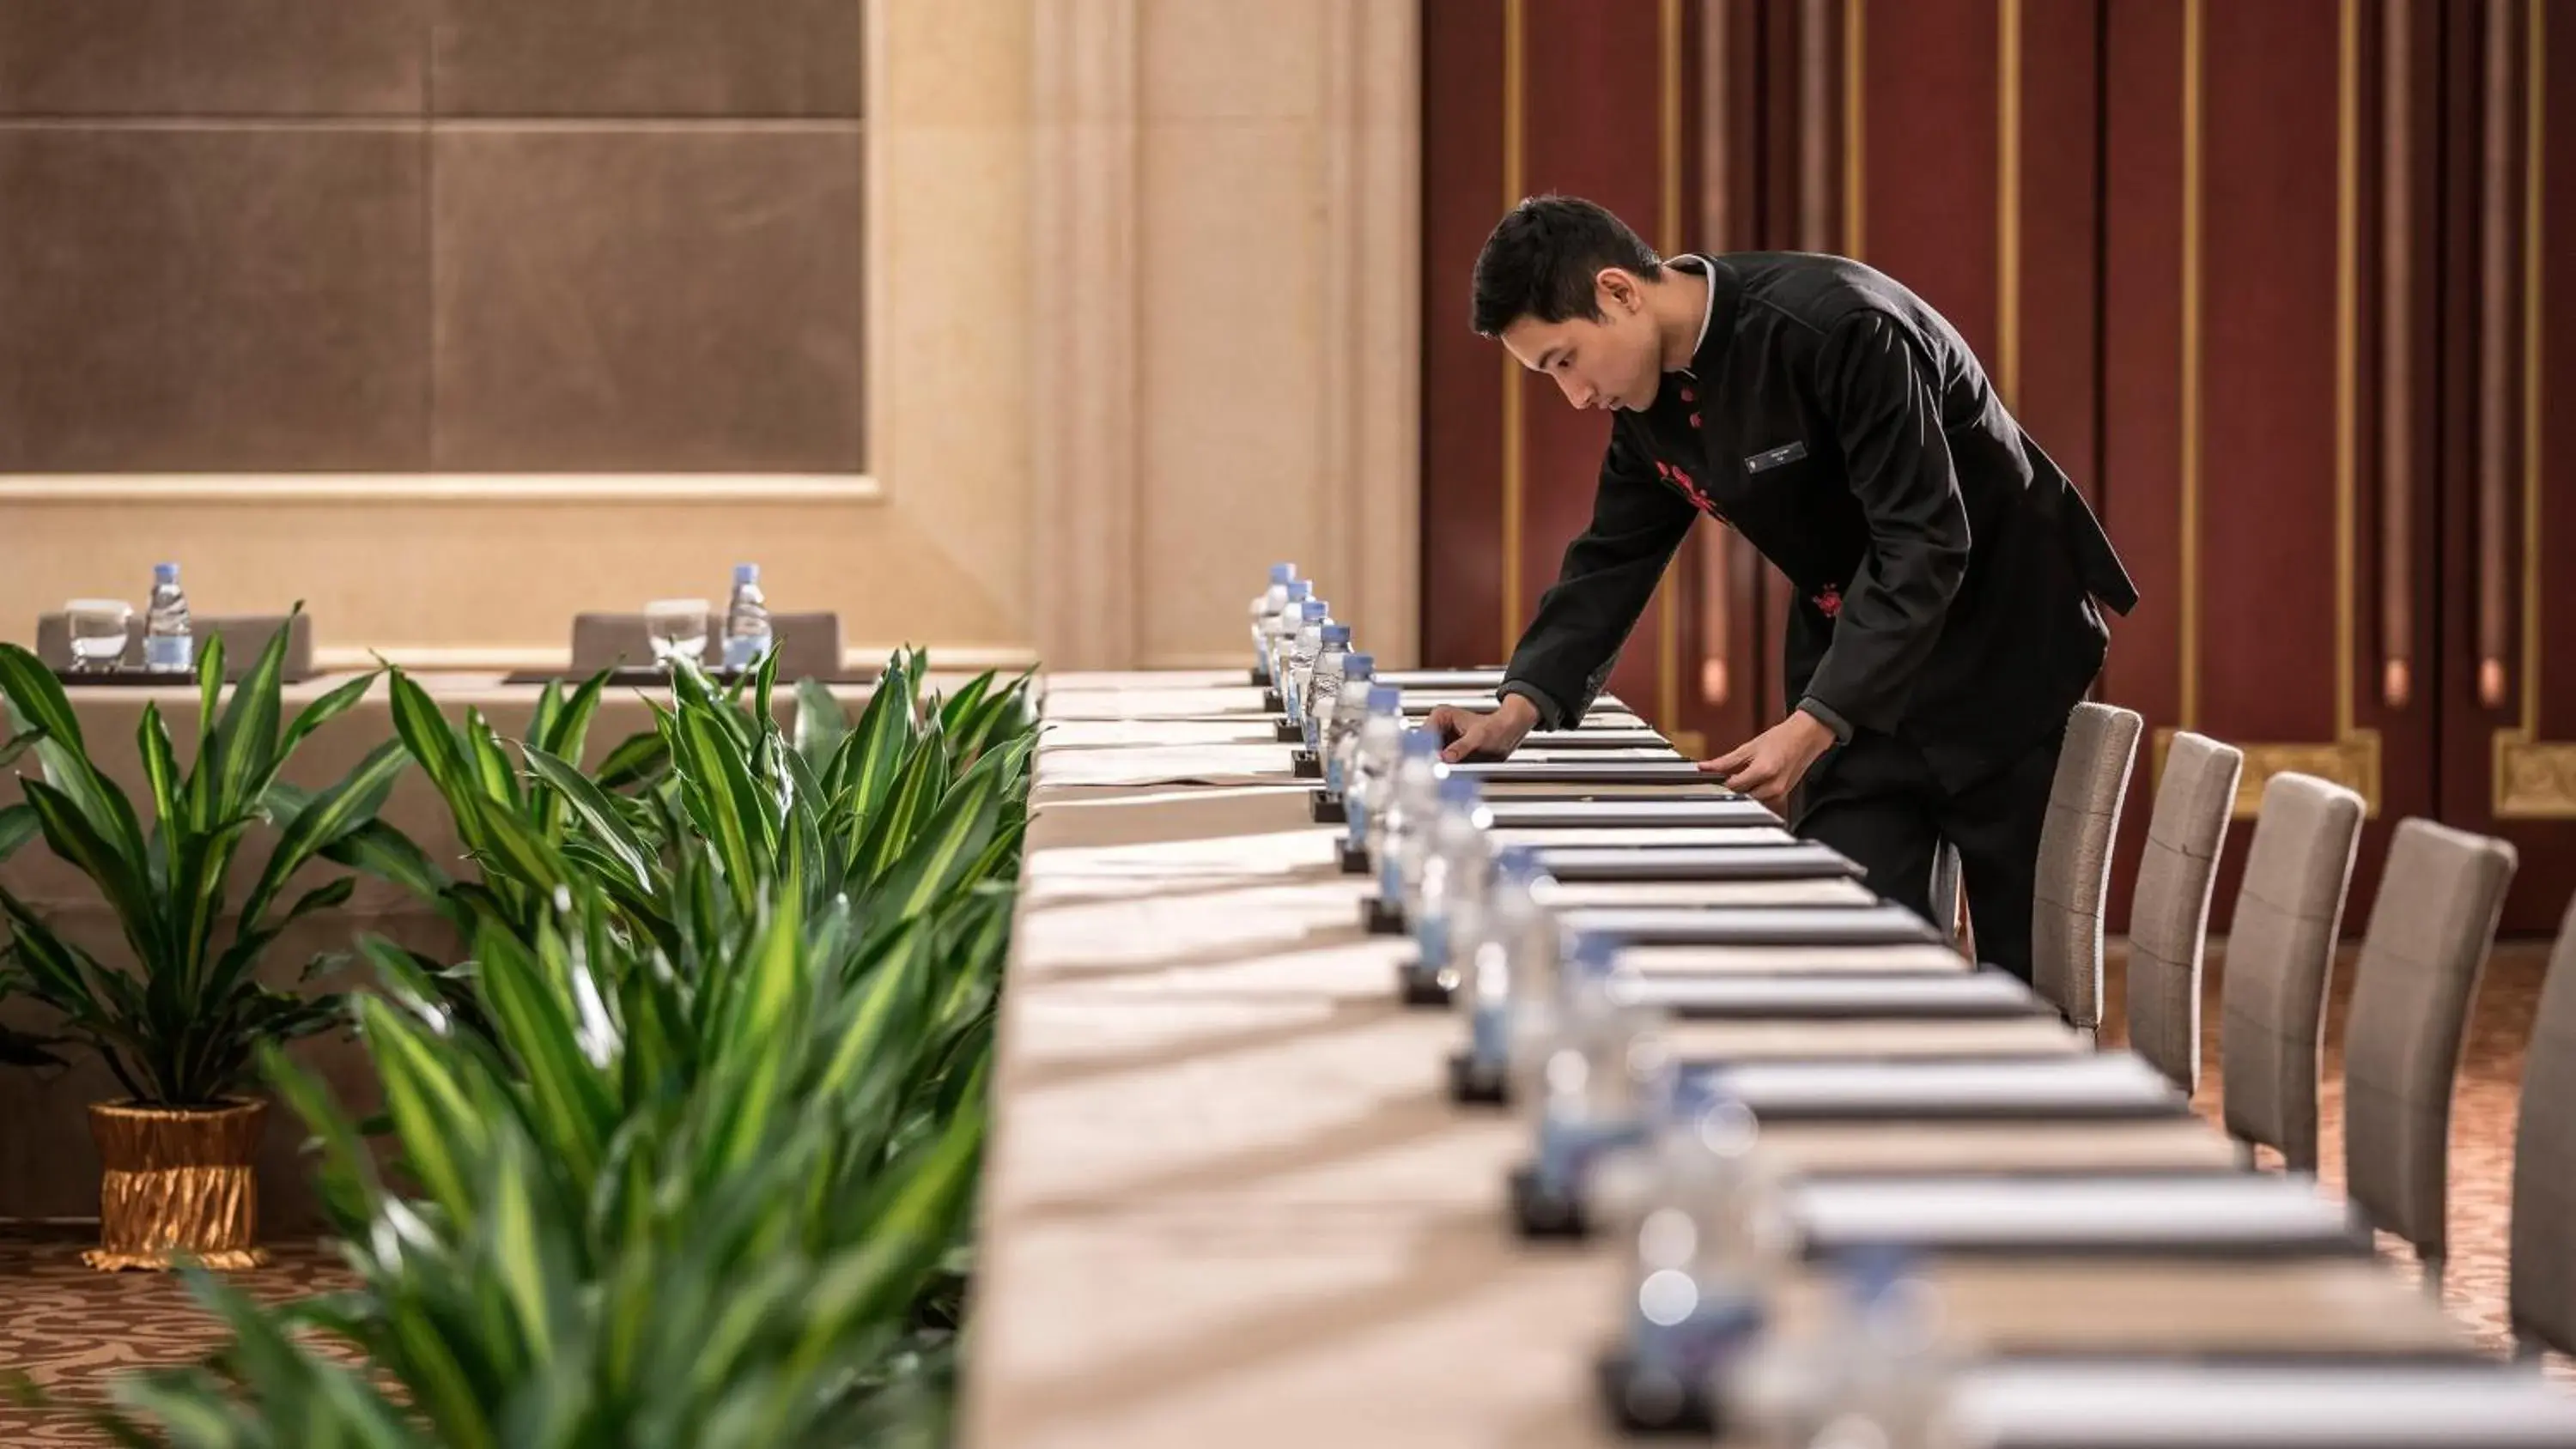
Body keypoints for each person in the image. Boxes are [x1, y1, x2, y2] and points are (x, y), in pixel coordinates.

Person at [1426, 195, 2136, 985]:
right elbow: (1611, 559)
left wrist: (1811, 726)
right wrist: (1517, 711)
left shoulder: (1841, 328)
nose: (1576, 396)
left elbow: (1924, 541)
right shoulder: (1648, 402)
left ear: (1620, 291)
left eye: (1565, 360)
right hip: (1857, 680)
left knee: (2025, 987)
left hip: (2003, 660)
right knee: (1853, 957)